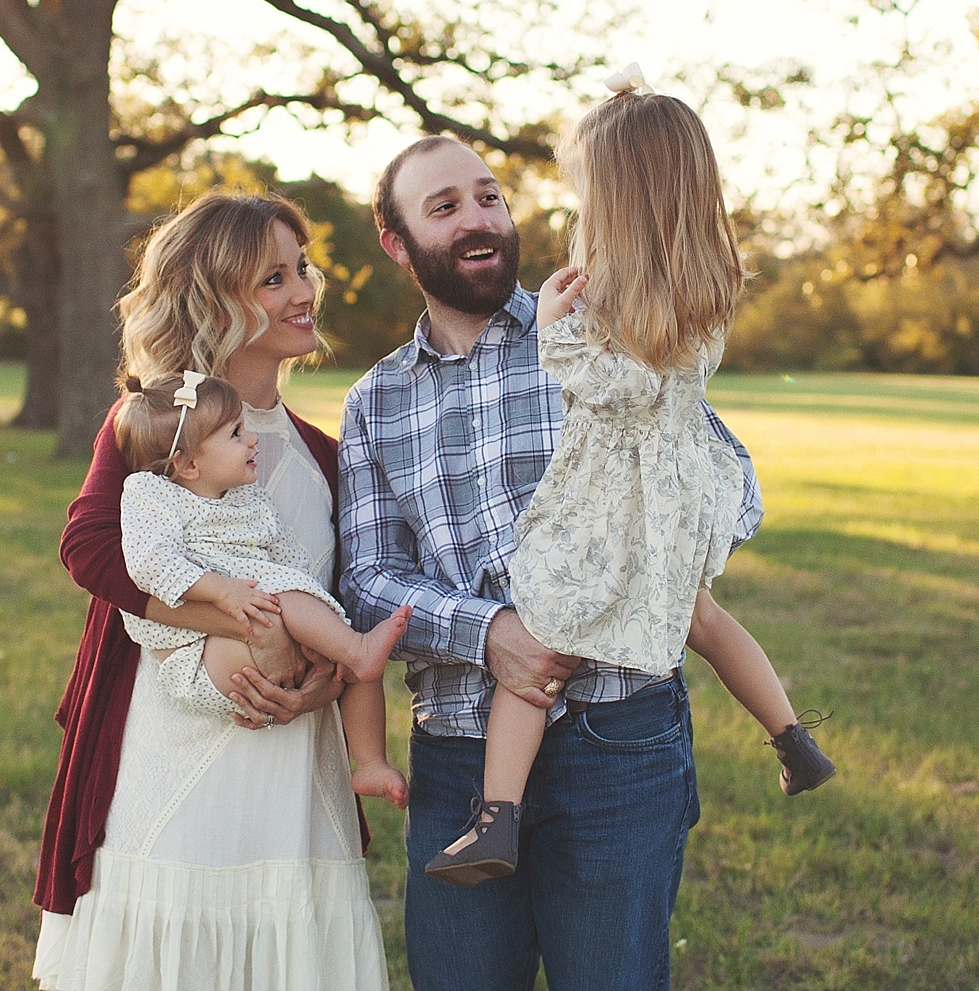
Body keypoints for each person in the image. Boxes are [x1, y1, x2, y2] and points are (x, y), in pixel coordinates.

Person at [337, 127, 763, 991]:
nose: (476, 217)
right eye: (444, 206)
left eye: (489, 195)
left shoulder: (601, 333)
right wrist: (493, 630)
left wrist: (647, 566)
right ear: (398, 242)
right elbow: (369, 578)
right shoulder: (375, 399)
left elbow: (717, 474)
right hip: (458, 747)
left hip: (620, 735)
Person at [423, 72, 832, 889]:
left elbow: (624, 390)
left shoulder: (620, 295)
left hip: (617, 499)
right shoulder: (704, 280)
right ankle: (792, 738)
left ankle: (495, 818)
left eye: (585, 190)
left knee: (543, 642)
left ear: (617, 195)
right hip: (679, 489)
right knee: (699, 616)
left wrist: (553, 336)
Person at [33, 192, 388, 991]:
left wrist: (323, 679)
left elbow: (340, 607)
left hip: (294, 771)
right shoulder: (158, 429)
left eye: (303, 268)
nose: (303, 291)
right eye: (272, 277)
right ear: (213, 296)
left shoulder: (326, 457)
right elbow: (88, 546)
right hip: (175, 747)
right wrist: (224, 608)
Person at [112, 369, 411, 804]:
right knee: (341, 640)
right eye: (235, 434)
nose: (251, 440)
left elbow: (288, 561)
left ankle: (369, 764)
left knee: (342, 645)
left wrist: (317, 619)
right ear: (188, 463)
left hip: (260, 614)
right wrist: (221, 591)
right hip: (196, 651)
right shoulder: (150, 494)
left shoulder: (247, 498)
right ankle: (355, 651)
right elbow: (147, 563)